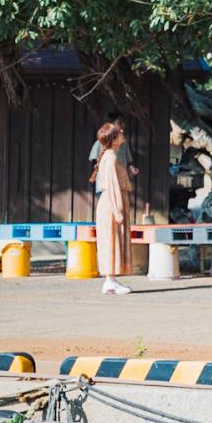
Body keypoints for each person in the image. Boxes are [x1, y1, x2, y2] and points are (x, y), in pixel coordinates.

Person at [93, 121, 134, 295]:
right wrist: (117, 210)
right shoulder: (111, 157)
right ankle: (110, 281)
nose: (122, 132)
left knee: (112, 240)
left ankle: (112, 280)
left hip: (111, 202)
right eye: (118, 132)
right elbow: (112, 185)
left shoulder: (109, 155)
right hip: (111, 203)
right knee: (112, 240)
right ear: (114, 138)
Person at [88, 110, 139, 178]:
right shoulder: (100, 143)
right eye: (120, 123)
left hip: (120, 182)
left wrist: (131, 169)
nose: (124, 125)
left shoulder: (123, 143)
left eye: (123, 122)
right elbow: (93, 164)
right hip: (104, 184)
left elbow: (128, 161)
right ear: (110, 126)